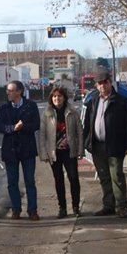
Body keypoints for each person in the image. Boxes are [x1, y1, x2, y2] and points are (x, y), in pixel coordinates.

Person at [82, 73, 127, 217]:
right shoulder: (93, 101)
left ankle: (121, 206)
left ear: (110, 83)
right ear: (96, 86)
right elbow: (87, 124)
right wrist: (86, 142)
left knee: (116, 176)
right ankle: (108, 205)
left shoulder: (121, 101)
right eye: (99, 83)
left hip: (115, 145)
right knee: (104, 177)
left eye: (105, 82)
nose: (102, 86)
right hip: (97, 145)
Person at [0, 80, 41, 219]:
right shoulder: (4, 108)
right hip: (10, 149)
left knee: (30, 181)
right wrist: (12, 128)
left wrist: (23, 126)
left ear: (19, 92)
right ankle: (16, 209)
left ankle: (32, 210)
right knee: (12, 182)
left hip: (27, 148)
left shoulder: (30, 106)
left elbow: (36, 124)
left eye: (11, 90)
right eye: (7, 90)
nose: (8, 93)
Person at [40, 85, 83, 218]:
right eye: (54, 96)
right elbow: (42, 134)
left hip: (69, 151)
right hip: (54, 152)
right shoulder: (47, 113)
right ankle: (62, 208)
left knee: (73, 178)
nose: (57, 99)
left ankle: (75, 207)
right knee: (58, 180)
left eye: (59, 96)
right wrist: (43, 153)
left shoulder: (72, 112)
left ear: (64, 98)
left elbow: (79, 131)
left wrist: (80, 149)